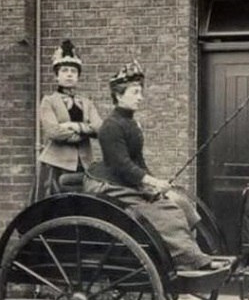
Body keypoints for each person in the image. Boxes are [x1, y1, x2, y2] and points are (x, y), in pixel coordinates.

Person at [83, 60, 212, 270]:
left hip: (126, 181)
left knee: (180, 203)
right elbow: (121, 165)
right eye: (135, 92)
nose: (140, 97)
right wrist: (152, 182)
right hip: (110, 185)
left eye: (140, 92)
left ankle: (187, 254)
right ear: (119, 95)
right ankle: (186, 258)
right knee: (164, 213)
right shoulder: (110, 127)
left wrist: (155, 185)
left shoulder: (131, 123)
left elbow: (138, 161)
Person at [34, 40, 102, 200]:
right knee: (54, 207)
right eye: (64, 71)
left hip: (84, 165)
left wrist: (74, 126)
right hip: (56, 165)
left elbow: (99, 128)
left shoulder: (87, 102)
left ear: (78, 76)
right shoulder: (49, 101)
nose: (69, 74)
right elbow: (54, 132)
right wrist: (85, 133)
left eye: (73, 71)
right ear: (57, 76)